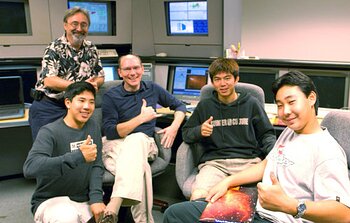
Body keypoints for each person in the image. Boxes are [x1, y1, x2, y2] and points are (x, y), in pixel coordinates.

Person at [163, 70, 350, 223]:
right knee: (175, 213)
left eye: (292, 102)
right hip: (252, 206)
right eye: (279, 105)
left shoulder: (327, 152)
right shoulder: (291, 131)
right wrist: (227, 182)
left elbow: (343, 214)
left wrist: (290, 206)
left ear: (311, 98)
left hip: (278, 219)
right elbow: (267, 163)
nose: (285, 112)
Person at [100, 54, 186, 223]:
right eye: (127, 69)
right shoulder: (111, 96)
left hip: (143, 143)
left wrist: (174, 128)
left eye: (136, 68)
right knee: (140, 169)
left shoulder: (152, 88)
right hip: (115, 144)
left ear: (142, 69)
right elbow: (110, 132)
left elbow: (180, 106)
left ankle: (114, 205)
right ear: (120, 72)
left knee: (136, 138)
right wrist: (141, 118)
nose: (132, 73)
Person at [181, 58, 276, 201]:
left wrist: (274, 155)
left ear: (236, 79)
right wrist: (199, 130)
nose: (223, 83)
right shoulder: (205, 106)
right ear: (212, 82)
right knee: (198, 196)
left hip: (248, 162)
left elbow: (266, 134)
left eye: (227, 78)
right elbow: (186, 134)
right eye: (217, 79)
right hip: (215, 164)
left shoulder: (251, 103)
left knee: (256, 201)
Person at [23, 82, 106, 223]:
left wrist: (96, 198)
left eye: (91, 102)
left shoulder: (93, 126)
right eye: (81, 100)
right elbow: (30, 168)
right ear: (68, 102)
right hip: (52, 200)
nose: (87, 107)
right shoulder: (49, 132)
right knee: (67, 217)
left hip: (83, 199)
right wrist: (78, 156)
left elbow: (97, 165)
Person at [29, 6, 105, 140]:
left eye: (84, 24)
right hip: (50, 106)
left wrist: (93, 84)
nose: (79, 29)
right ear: (65, 25)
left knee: (77, 147)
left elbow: (100, 76)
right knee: (48, 148)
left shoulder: (91, 48)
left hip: (76, 107)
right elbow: (49, 80)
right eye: (74, 24)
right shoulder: (55, 47)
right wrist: (80, 86)